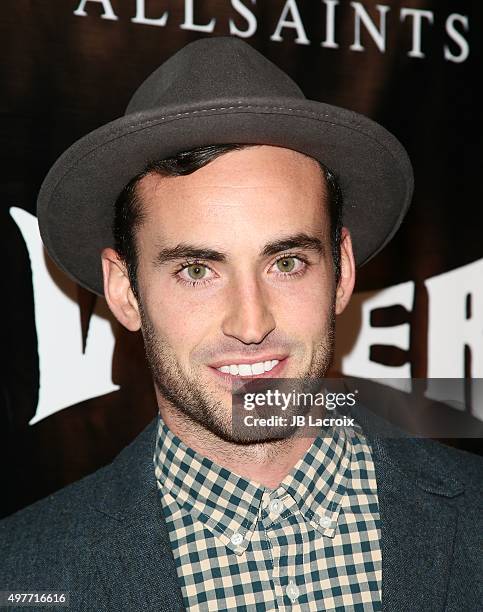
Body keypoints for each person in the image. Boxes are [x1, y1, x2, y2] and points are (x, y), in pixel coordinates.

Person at [1, 37, 481, 612]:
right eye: (197, 270)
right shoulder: (23, 573)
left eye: (286, 263)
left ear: (343, 271)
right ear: (125, 291)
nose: (251, 323)